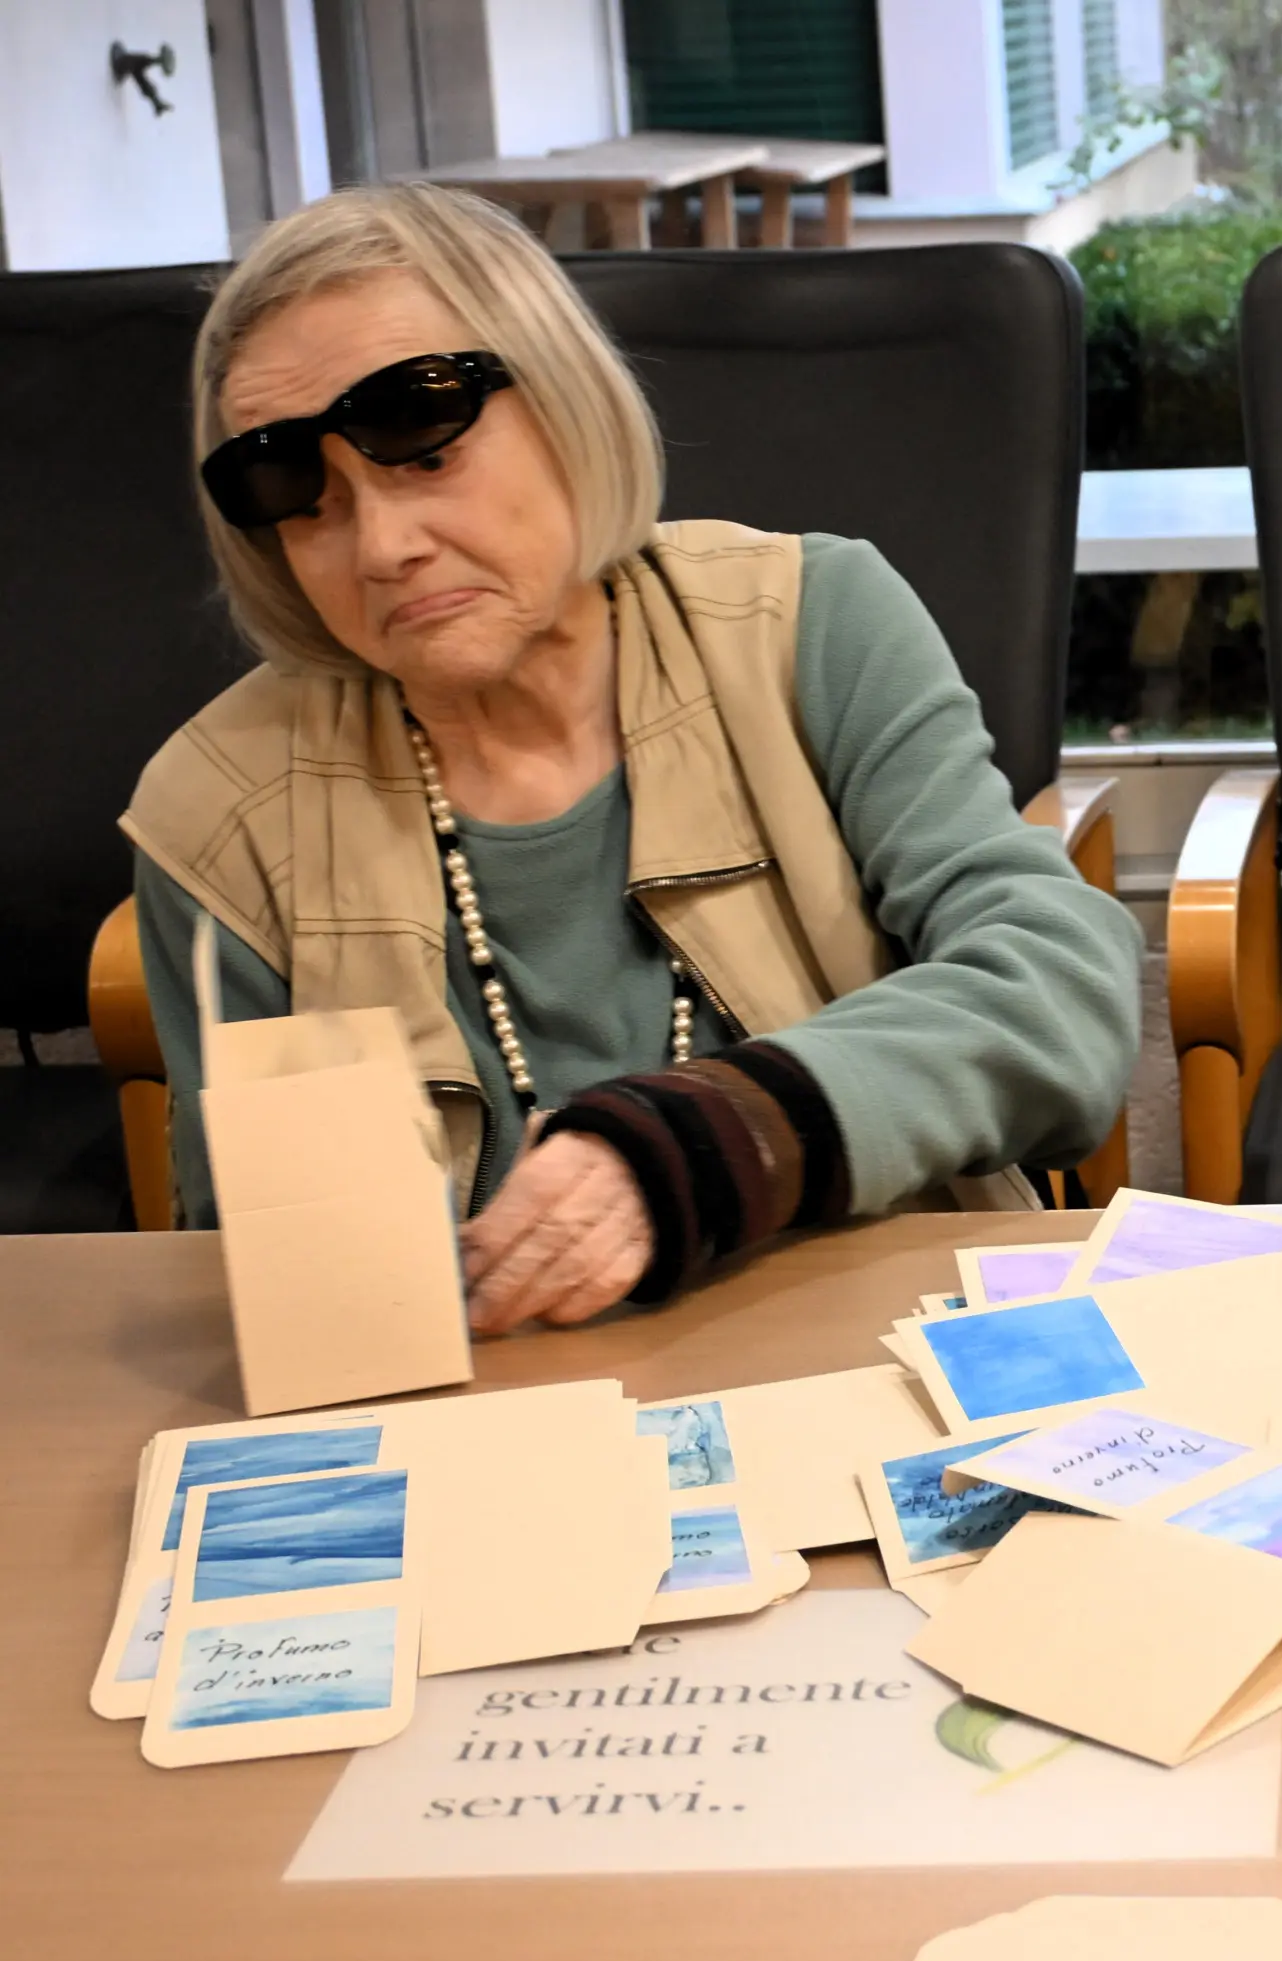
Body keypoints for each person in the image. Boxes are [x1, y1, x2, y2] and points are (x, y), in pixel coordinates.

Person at [125, 183, 1142, 1332]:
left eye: (421, 439)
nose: (382, 547)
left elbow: (1060, 989)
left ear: (565, 401)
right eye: (297, 492)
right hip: (495, 1419)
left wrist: (711, 1146)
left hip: (892, 1341)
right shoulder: (218, 815)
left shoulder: (812, 622)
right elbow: (286, 1290)